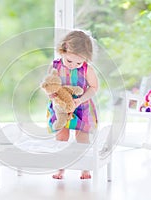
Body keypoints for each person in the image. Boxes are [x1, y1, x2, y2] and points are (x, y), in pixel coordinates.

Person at [46, 30, 99, 179]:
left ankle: (85, 167)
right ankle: (61, 167)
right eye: (69, 61)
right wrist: (51, 94)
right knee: (61, 136)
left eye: (78, 63)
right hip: (61, 107)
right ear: (63, 51)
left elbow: (94, 87)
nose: (73, 66)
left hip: (81, 107)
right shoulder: (55, 66)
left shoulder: (86, 69)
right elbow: (49, 84)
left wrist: (81, 99)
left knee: (82, 137)